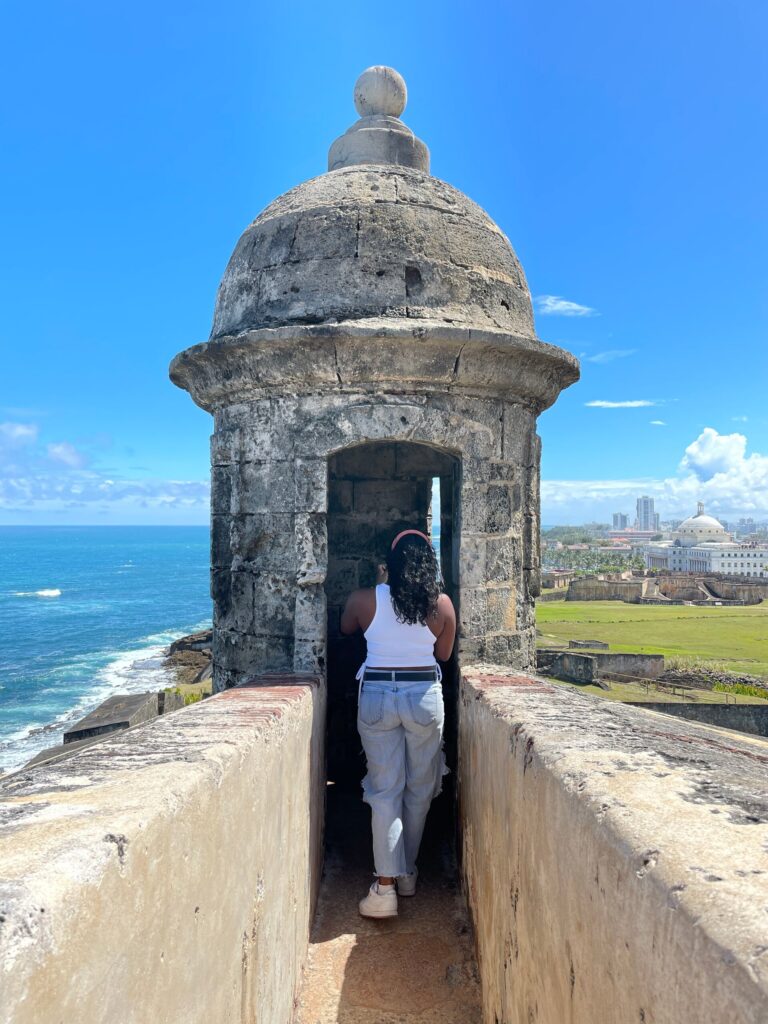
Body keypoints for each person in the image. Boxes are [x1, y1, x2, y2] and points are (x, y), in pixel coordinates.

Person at [340, 528, 457, 919]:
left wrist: (380, 586)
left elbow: (346, 628)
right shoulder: (441, 605)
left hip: (377, 694)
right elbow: (443, 655)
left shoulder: (364, 599)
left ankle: (385, 888)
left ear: (389, 564)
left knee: (384, 790)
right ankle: (405, 876)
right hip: (423, 696)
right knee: (419, 789)